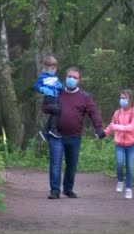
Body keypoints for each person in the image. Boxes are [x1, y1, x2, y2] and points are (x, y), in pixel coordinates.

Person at [44, 67, 106, 199]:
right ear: (65, 77)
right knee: (55, 163)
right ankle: (55, 191)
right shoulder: (57, 92)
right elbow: (45, 106)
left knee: (71, 165)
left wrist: (99, 128)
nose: (71, 79)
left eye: (75, 78)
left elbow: (93, 113)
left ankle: (68, 189)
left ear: (79, 80)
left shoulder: (84, 97)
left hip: (74, 137)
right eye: (69, 76)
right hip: (56, 135)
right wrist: (51, 107)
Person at [104, 89, 134, 199]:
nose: (122, 100)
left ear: (130, 100)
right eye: (121, 98)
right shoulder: (117, 113)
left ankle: (129, 189)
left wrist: (117, 127)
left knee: (130, 166)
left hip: (131, 144)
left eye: (124, 98)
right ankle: (120, 180)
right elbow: (111, 126)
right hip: (119, 143)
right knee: (119, 163)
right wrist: (103, 134)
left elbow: (132, 127)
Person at [34, 55, 63, 141]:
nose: (53, 70)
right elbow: (37, 85)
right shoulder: (43, 77)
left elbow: (59, 86)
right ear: (46, 68)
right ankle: (53, 130)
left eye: (55, 68)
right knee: (57, 110)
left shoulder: (55, 78)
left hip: (56, 97)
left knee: (56, 112)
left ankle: (46, 131)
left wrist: (60, 86)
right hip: (49, 99)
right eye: (52, 68)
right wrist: (42, 88)